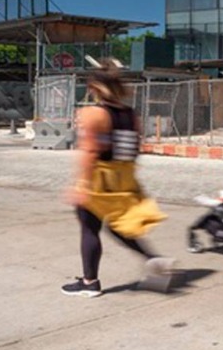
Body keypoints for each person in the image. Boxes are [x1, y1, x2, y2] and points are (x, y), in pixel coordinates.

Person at [61, 59, 172, 297]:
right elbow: (135, 147)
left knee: (90, 227)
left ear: (95, 88)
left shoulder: (93, 114)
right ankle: (154, 260)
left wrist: (82, 184)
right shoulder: (131, 115)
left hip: (99, 178)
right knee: (118, 226)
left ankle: (90, 282)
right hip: (124, 176)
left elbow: (90, 151)